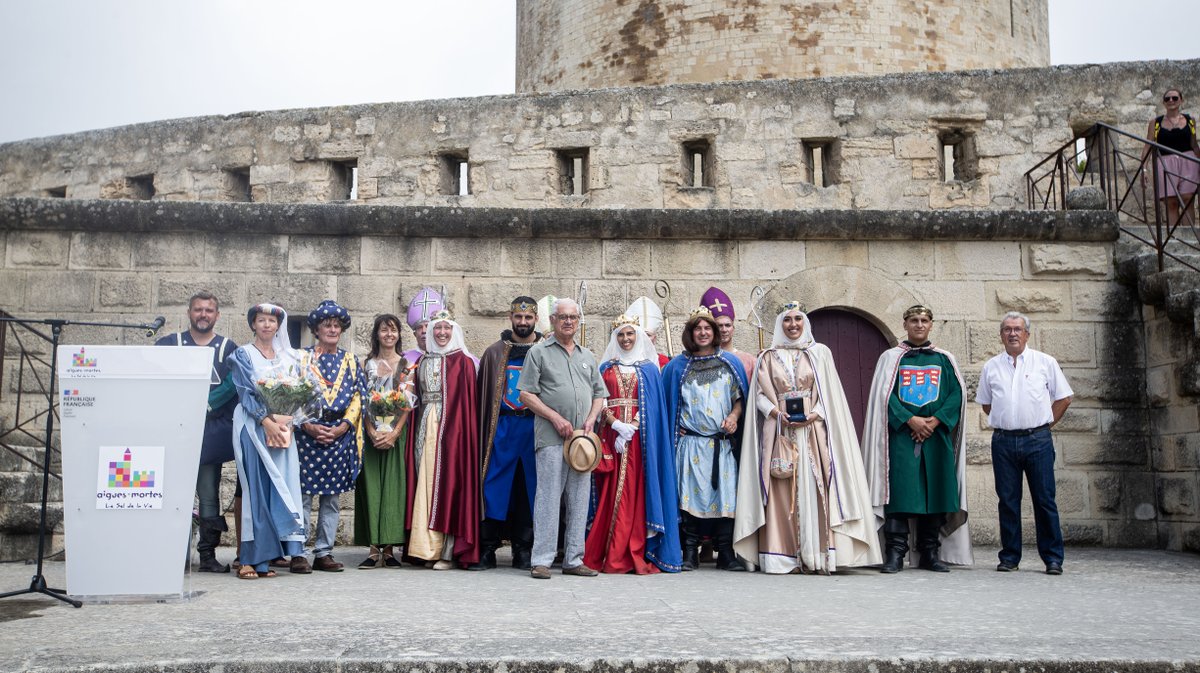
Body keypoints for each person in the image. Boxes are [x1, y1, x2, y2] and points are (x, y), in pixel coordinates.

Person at [733, 302, 881, 574]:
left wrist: (816, 413)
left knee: (817, 486)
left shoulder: (819, 354)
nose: (793, 325)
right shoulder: (767, 356)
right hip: (780, 432)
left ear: (805, 323)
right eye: (787, 320)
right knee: (780, 484)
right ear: (780, 325)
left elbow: (830, 394)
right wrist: (776, 412)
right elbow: (759, 398)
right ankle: (783, 555)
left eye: (798, 319)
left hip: (812, 433)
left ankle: (818, 552)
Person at [861, 305, 972, 573]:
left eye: (924, 320)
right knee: (900, 494)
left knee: (936, 493)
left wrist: (934, 421)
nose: (919, 325)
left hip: (936, 437)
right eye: (914, 320)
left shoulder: (945, 359)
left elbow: (955, 395)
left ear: (931, 325)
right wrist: (910, 419)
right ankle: (895, 553)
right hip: (902, 437)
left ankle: (929, 553)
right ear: (905, 324)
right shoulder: (891, 358)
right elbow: (883, 397)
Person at [976, 311, 1073, 575]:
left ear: (1027, 334)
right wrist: (1010, 419)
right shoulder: (991, 367)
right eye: (1007, 329)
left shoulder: (1045, 362)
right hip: (1004, 441)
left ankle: (1053, 558)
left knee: (1044, 500)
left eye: (1018, 329)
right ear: (1001, 335)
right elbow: (986, 404)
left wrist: (1043, 424)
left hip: (1038, 441)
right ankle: (1009, 557)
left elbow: (1064, 398)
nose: (1012, 334)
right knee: (1007, 500)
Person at [517, 297, 607, 580]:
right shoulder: (539, 353)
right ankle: (542, 560)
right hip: (552, 438)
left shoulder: (587, 355)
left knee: (580, 499)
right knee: (548, 498)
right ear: (553, 321)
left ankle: (573, 558)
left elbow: (598, 394)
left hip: (582, 441)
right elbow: (526, 394)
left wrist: (592, 419)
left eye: (573, 317)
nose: (568, 322)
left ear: (578, 322)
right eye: (563, 317)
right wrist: (555, 417)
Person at [585, 315, 681, 574]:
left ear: (638, 336)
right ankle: (608, 551)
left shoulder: (649, 369)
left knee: (636, 491)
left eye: (630, 334)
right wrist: (616, 425)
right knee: (609, 490)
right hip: (611, 437)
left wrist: (633, 427)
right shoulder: (605, 367)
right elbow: (599, 398)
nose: (626, 339)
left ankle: (634, 549)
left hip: (641, 441)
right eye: (620, 335)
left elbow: (653, 404)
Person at [154, 291, 237, 573]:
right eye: (198, 310)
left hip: (208, 434)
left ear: (217, 315)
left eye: (209, 310)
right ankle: (175, 553)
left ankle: (207, 556)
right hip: (174, 431)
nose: (203, 314)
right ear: (189, 312)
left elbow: (235, 384)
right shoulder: (169, 344)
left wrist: (207, 405)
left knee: (208, 493)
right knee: (175, 492)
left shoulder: (227, 348)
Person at [662, 306, 748, 571]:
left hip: (721, 444)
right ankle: (690, 552)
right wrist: (673, 427)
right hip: (691, 444)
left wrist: (734, 417)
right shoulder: (678, 366)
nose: (703, 332)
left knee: (726, 498)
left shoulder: (730, 363)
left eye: (707, 328)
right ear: (691, 333)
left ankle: (725, 553)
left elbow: (739, 398)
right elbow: (666, 404)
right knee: (688, 497)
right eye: (697, 328)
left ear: (715, 332)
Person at [228, 303, 306, 579]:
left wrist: (289, 421)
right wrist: (266, 421)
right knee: (255, 490)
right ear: (253, 324)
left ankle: (267, 559)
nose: (266, 325)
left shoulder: (288, 357)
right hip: (253, 426)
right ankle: (249, 559)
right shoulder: (242, 354)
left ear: (278, 326)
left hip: (282, 429)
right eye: (261, 320)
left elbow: (299, 391)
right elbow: (245, 392)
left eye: (271, 321)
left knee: (280, 485)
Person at [407, 310, 481, 569]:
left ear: (454, 331)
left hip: (453, 432)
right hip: (426, 426)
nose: (441, 333)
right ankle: (427, 548)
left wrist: (455, 432)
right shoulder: (424, 360)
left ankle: (448, 552)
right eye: (437, 329)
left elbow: (466, 406)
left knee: (449, 485)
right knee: (426, 483)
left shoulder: (463, 362)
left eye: (446, 329)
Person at [295, 299, 364, 573]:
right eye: (327, 325)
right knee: (302, 496)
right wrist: (306, 425)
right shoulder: (302, 358)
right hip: (307, 435)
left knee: (331, 498)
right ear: (316, 329)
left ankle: (324, 552)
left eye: (336, 325)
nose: (332, 329)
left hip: (337, 435)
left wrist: (345, 426)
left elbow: (359, 395)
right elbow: (292, 394)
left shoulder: (351, 360)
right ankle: (297, 551)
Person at [474, 296, 541, 570]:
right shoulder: (494, 352)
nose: (523, 322)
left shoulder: (546, 349)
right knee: (494, 487)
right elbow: (483, 394)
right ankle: (488, 548)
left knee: (529, 489)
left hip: (534, 428)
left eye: (528, 318)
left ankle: (523, 550)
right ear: (511, 318)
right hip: (501, 429)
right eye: (518, 317)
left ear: (536, 319)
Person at [354, 314, 414, 569]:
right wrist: (370, 430)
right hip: (371, 434)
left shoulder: (406, 365)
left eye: (393, 330)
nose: (389, 334)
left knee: (392, 489)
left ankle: (388, 548)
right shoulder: (366, 363)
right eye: (384, 330)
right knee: (371, 488)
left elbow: (408, 403)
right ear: (376, 334)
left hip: (395, 434)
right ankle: (372, 548)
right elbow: (360, 399)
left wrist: (394, 432)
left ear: (399, 335)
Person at [1142, 87, 1200, 229]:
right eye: (1167, 98)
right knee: (1171, 201)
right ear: (1163, 102)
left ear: (1181, 100)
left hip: (1188, 162)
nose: (1171, 101)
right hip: (1165, 163)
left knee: (1188, 200)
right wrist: (1143, 168)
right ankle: (1173, 238)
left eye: (1175, 98)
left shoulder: (1190, 120)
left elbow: (1194, 144)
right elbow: (1148, 146)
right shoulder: (1155, 123)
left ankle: (1188, 237)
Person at [700, 286, 756, 376]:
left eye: (727, 325)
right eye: (719, 326)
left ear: (733, 329)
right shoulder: (700, 360)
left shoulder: (749, 361)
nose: (724, 330)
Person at [626, 296, 671, 368]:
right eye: (641, 334)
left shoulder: (663, 361)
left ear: (655, 339)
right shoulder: (625, 361)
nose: (644, 338)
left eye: (648, 335)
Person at [403, 286, 445, 364]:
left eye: (428, 326)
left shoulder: (450, 358)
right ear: (415, 334)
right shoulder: (405, 360)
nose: (424, 331)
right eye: (419, 327)